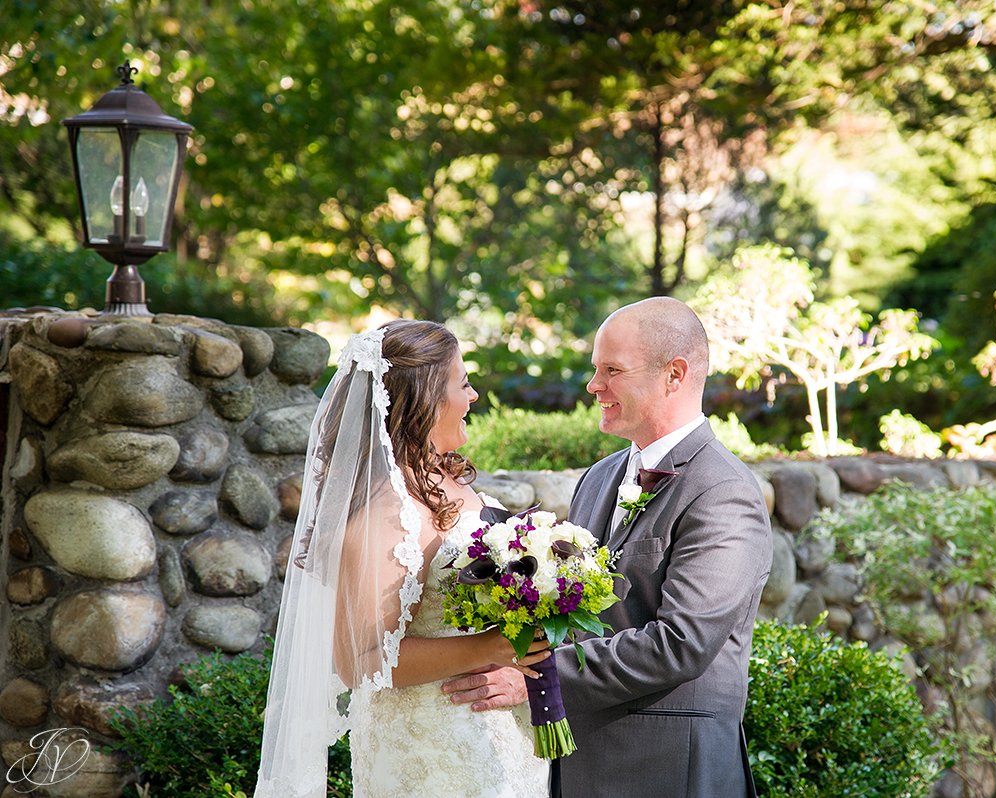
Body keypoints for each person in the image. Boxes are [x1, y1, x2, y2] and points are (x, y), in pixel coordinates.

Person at [443, 298, 773, 797]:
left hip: (670, 768)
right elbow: (576, 612)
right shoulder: (599, 478)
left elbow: (680, 643)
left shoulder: (723, 491)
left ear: (675, 375)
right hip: (581, 764)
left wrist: (539, 679)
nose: (594, 386)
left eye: (612, 370)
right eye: (596, 369)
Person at [255, 319, 551, 798]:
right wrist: (489, 649)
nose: (473, 397)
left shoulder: (451, 483)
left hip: (499, 743)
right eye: (464, 383)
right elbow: (359, 662)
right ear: (425, 397)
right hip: (433, 755)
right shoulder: (383, 516)